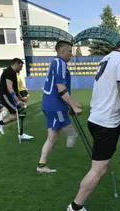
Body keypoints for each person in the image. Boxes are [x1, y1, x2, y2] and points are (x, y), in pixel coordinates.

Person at [66, 33, 120, 211]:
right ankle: (75, 207)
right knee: (98, 169)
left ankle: (76, 206)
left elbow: (117, 96)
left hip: (98, 119)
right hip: (106, 123)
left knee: (101, 165)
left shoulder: (108, 57)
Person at [37, 40, 82, 173]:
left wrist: (73, 103)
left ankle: (41, 165)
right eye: (69, 51)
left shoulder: (57, 63)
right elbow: (61, 88)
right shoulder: (59, 63)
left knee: (52, 136)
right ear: (62, 51)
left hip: (51, 104)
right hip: (55, 106)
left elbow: (62, 90)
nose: (71, 54)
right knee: (72, 135)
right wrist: (74, 106)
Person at [0, 58, 33, 140]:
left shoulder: (13, 73)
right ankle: (21, 134)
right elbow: (10, 88)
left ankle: (1, 123)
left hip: (9, 96)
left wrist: (21, 98)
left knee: (16, 114)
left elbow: (15, 89)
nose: (21, 68)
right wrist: (17, 100)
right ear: (15, 64)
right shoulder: (9, 72)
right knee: (20, 112)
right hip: (5, 96)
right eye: (20, 66)